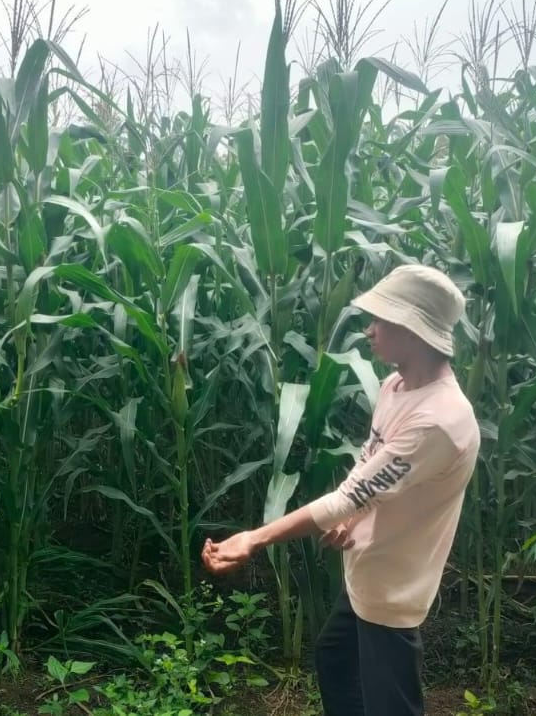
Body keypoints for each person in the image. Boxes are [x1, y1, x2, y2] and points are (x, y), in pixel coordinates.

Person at [201, 264, 480, 716]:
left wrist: (254, 538)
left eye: (381, 320)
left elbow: (347, 496)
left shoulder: (439, 421)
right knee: (334, 660)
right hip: (367, 569)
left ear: (413, 330)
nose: (369, 330)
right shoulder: (396, 386)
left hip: (393, 586)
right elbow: (369, 470)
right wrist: (351, 518)